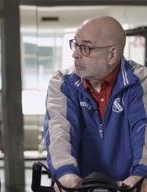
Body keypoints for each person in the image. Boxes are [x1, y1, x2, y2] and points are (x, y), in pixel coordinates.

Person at [44, 16, 147, 192]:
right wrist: (65, 174)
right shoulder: (62, 82)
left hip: (128, 183)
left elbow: (144, 128)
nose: (75, 54)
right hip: (80, 184)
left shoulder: (140, 81)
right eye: (75, 45)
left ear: (112, 54)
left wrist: (142, 174)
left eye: (85, 48)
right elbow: (58, 131)